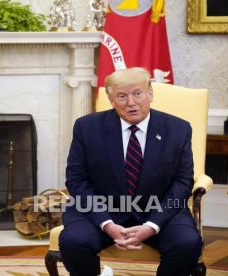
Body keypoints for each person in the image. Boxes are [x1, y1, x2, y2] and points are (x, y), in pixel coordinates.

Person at [59, 67, 202, 276]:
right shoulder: (87, 127)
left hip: (159, 209)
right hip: (102, 209)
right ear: (111, 100)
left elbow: (182, 182)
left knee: (187, 243)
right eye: (122, 96)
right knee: (73, 241)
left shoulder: (178, 129)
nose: (131, 102)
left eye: (137, 93)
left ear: (150, 94)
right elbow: (76, 180)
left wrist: (152, 225)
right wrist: (106, 223)